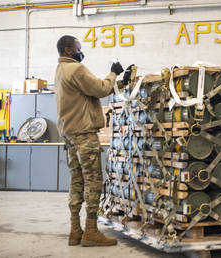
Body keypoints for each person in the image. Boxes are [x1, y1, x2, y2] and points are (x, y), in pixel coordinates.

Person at [54, 35, 126, 247]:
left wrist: (116, 81)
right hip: (84, 133)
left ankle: (75, 230)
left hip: (69, 133)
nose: (80, 51)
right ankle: (92, 231)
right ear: (68, 50)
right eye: (78, 48)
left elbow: (92, 89)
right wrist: (113, 72)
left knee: (76, 180)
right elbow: (100, 89)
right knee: (93, 181)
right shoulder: (76, 69)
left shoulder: (60, 70)